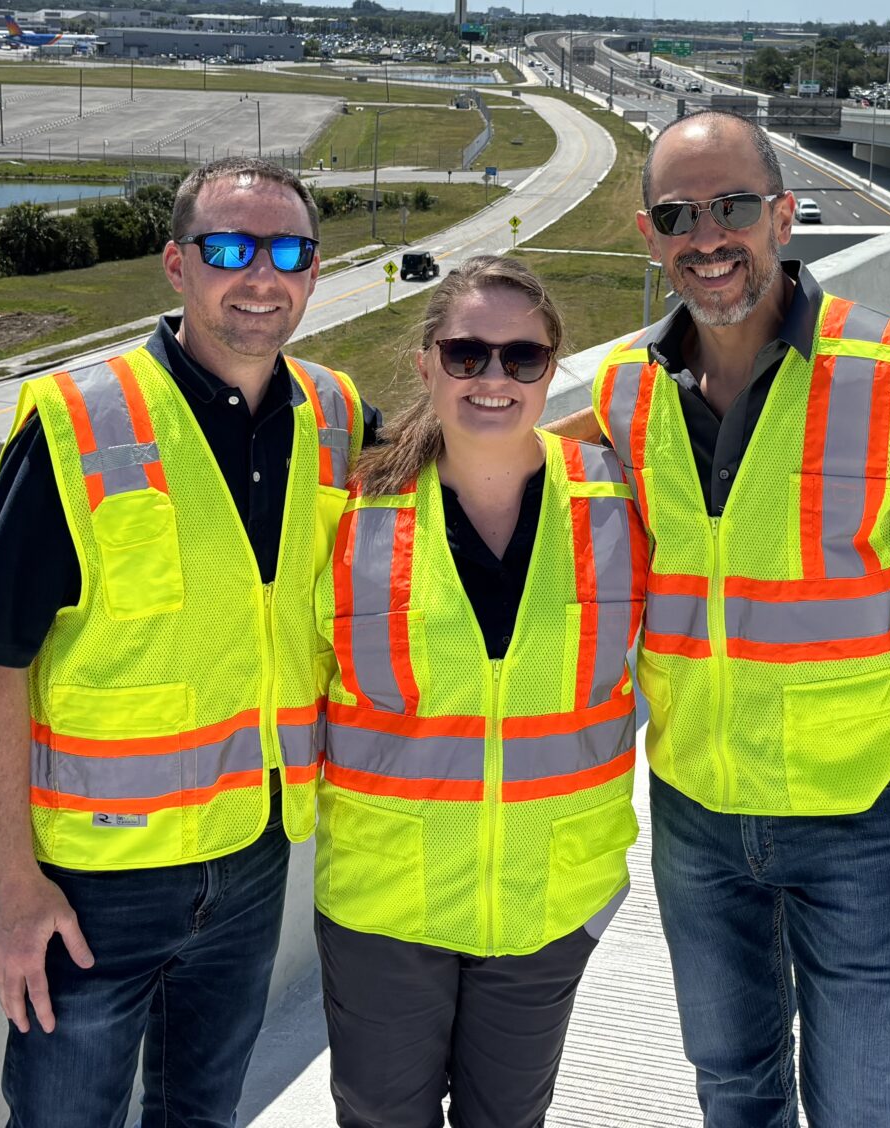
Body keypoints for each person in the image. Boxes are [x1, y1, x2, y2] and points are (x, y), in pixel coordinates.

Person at [547, 111, 890, 1126]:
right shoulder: (628, 395)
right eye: (680, 215)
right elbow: (497, 451)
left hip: (856, 821)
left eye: (732, 208)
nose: (708, 238)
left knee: (861, 1100)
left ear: (784, 215)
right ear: (650, 236)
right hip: (695, 817)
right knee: (733, 1088)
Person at [0, 156, 377, 1128]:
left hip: (254, 855)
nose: (260, 276)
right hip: (95, 888)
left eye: (289, 252)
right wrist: (15, 887)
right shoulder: (82, 424)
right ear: (177, 265)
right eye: (230, 248)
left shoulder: (341, 421)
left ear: (314, 273)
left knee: (203, 1114)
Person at [313, 256, 645, 1127]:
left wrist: (591, 907)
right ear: (426, 364)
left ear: (551, 366)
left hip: (548, 909)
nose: (493, 378)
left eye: (522, 359)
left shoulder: (615, 502)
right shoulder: (349, 512)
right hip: (386, 907)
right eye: (466, 355)